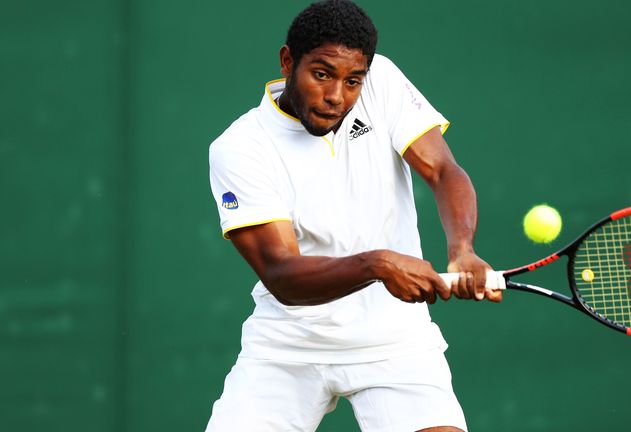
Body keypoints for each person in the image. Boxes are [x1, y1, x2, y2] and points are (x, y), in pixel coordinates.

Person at [206, 1, 502, 430]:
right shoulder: (240, 148)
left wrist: (463, 249)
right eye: (321, 74)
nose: (336, 96)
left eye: (352, 81)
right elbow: (282, 274)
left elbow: (442, 170)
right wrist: (377, 264)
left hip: (394, 341)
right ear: (288, 62)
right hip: (288, 346)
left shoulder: (382, 81)